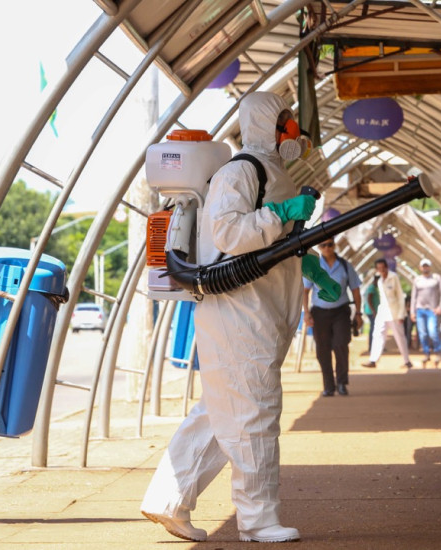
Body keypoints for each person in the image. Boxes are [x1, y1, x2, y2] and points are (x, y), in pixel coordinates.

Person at [141, 91, 336, 543]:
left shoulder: (272, 172)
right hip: (239, 317)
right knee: (255, 417)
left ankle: (168, 500)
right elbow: (227, 233)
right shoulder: (239, 171)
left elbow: (270, 244)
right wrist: (282, 214)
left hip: (257, 316)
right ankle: (258, 519)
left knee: (220, 414)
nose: (293, 131)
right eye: (284, 121)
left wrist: (305, 265)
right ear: (265, 124)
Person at [303, 239, 363, 397]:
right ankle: (328, 386)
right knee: (323, 350)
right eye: (323, 245)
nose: (327, 248)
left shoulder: (345, 265)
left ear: (334, 245)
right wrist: (306, 313)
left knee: (341, 345)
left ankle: (342, 383)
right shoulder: (314, 265)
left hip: (341, 312)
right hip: (319, 313)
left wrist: (358, 313)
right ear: (319, 247)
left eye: (330, 244)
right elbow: (305, 291)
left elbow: (355, 290)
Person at [362, 259, 413, 369]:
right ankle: (373, 360)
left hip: (394, 312)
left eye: (383, 268)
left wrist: (401, 314)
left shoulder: (393, 277)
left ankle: (407, 360)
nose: (381, 270)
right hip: (382, 312)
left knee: (400, 337)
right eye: (379, 268)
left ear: (386, 267)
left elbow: (400, 296)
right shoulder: (379, 280)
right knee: (377, 335)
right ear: (377, 269)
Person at [410, 258, 441, 366]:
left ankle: (437, 352)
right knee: (422, 334)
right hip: (420, 310)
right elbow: (414, 297)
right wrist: (412, 312)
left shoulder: (436, 278)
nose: (425, 268)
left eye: (427, 266)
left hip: (432, 310)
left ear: (430, 267)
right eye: (423, 266)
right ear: (420, 267)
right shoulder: (417, 280)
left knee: (433, 332)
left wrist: (440, 307)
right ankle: (426, 353)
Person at [362, 274, 380, 354]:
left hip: (372, 311)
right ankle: (371, 347)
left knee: (374, 329)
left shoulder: (374, 287)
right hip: (371, 312)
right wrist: (373, 311)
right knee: (373, 329)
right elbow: (369, 299)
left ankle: (374, 346)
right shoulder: (372, 287)